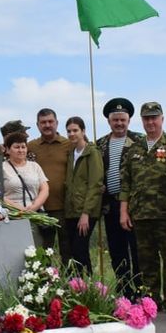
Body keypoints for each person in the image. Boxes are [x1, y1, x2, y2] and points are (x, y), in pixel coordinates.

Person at [120, 101, 166, 314]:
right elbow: (126, 182)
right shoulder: (134, 148)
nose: (150, 122)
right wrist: (124, 210)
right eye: (146, 118)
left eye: (154, 117)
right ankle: (151, 298)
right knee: (146, 260)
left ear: (162, 119)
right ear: (141, 121)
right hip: (140, 214)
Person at [96, 98, 143, 297]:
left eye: (123, 119)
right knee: (117, 250)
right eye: (115, 120)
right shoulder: (100, 144)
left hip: (134, 204)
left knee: (137, 248)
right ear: (109, 121)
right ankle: (124, 288)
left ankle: (140, 287)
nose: (119, 123)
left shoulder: (139, 141)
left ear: (129, 120)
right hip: (110, 205)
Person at [28, 108, 71, 254]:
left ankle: (70, 277)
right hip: (39, 208)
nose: (47, 125)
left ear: (57, 123)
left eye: (50, 121)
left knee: (67, 248)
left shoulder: (68, 145)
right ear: (37, 125)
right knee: (43, 249)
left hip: (64, 207)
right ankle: (45, 276)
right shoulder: (30, 147)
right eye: (43, 122)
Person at [63, 117, 103, 274]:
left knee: (80, 249)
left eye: (75, 130)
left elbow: (95, 184)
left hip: (86, 212)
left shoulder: (92, 153)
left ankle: (86, 284)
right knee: (76, 251)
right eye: (69, 131)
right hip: (71, 210)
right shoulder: (71, 153)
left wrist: (86, 213)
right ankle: (83, 284)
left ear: (83, 131)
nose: (72, 134)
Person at [2, 130, 49, 247]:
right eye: (16, 147)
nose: (21, 150)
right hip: (11, 215)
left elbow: (44, 188)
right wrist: (19, 209)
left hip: (34, 214)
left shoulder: (35, 166)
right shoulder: (2, 167)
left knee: (35, 251)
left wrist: (34, 207)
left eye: (23, 147)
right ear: (8, 150)